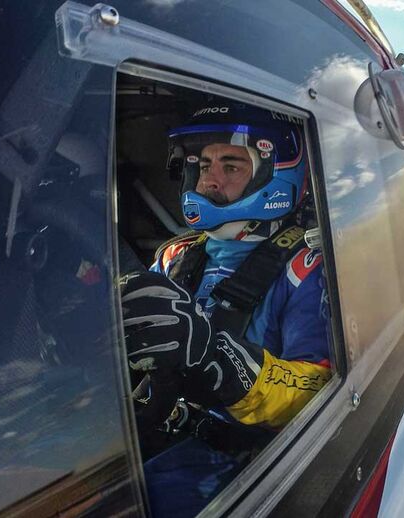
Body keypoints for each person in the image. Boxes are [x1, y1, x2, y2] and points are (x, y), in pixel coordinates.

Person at [118, 102, 331, 517]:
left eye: (230, 166)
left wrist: (223, 363)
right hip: (153, 431)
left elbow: (318, 391)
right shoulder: (176, 257)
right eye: (204, 165)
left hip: (241, 468)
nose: (209, 181)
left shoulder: (306, 270)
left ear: (275, 174)